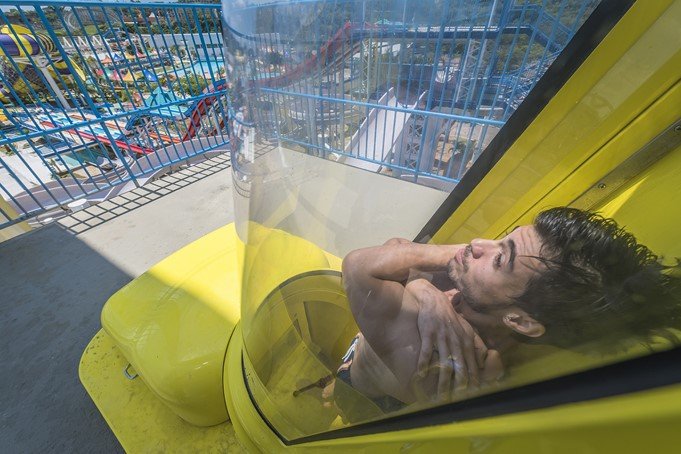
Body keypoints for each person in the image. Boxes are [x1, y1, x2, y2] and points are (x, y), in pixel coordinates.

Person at [330, 207, 681, 421]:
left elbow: (361, 265)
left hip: (359, 390)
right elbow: (397, 247)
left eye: (500, 258)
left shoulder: (442, 357)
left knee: (334, 398)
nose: (478, 243)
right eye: (502, 238)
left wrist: (424, 283)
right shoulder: (514, 315)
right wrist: (425, 290)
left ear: (522, 321)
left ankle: (330, 395)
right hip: (373, 353)